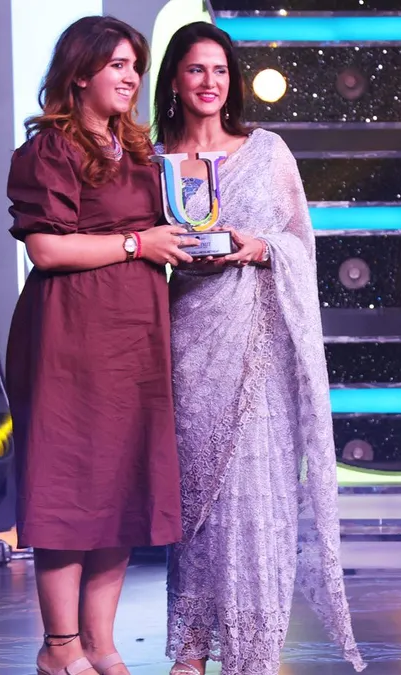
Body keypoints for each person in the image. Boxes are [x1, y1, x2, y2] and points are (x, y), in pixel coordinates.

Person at [152, 22, 366, 675]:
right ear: (174, 80)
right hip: (190, 340)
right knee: (200, 502)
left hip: (259, 350)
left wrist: (262, 247)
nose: (209, 82)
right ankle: (192, 652)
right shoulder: (154, 159)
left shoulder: (267, 151)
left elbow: (301, 243)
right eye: (196, 69)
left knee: (256, 496)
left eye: (220, 70)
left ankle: (254, 655)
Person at [4, 16, 197, 675]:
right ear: (80, 73)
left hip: (135, 336)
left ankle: (100, 643)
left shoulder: (138, 151)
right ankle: (59, 647)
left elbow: (175, 225)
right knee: (69, 487)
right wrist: (138, 243)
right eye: (117, 64)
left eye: (135, 66)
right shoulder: (50, 150)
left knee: (123, 486)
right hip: (70, 337)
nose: (131, 77)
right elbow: (46, 249)